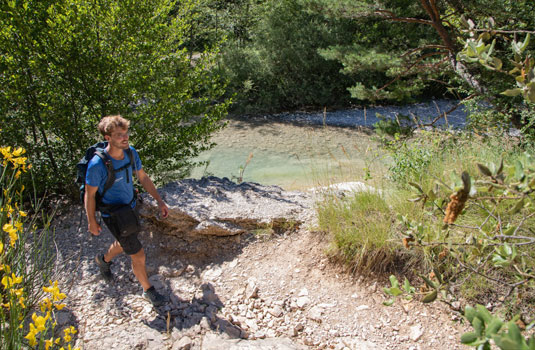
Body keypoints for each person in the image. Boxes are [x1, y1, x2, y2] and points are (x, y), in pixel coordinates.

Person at [85, 115, 169, 306]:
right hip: (114, 214)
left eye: (126, 133)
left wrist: (159, 201)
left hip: (131, 206)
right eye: (119, 135)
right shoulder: (97, 165)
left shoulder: (130, 153)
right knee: (138, 253)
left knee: (124, 241)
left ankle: (103, 260)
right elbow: (89, 195)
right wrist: (92, 220)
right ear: (108, 138)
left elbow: (142, 177)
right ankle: (148, 290)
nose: (125, 138)